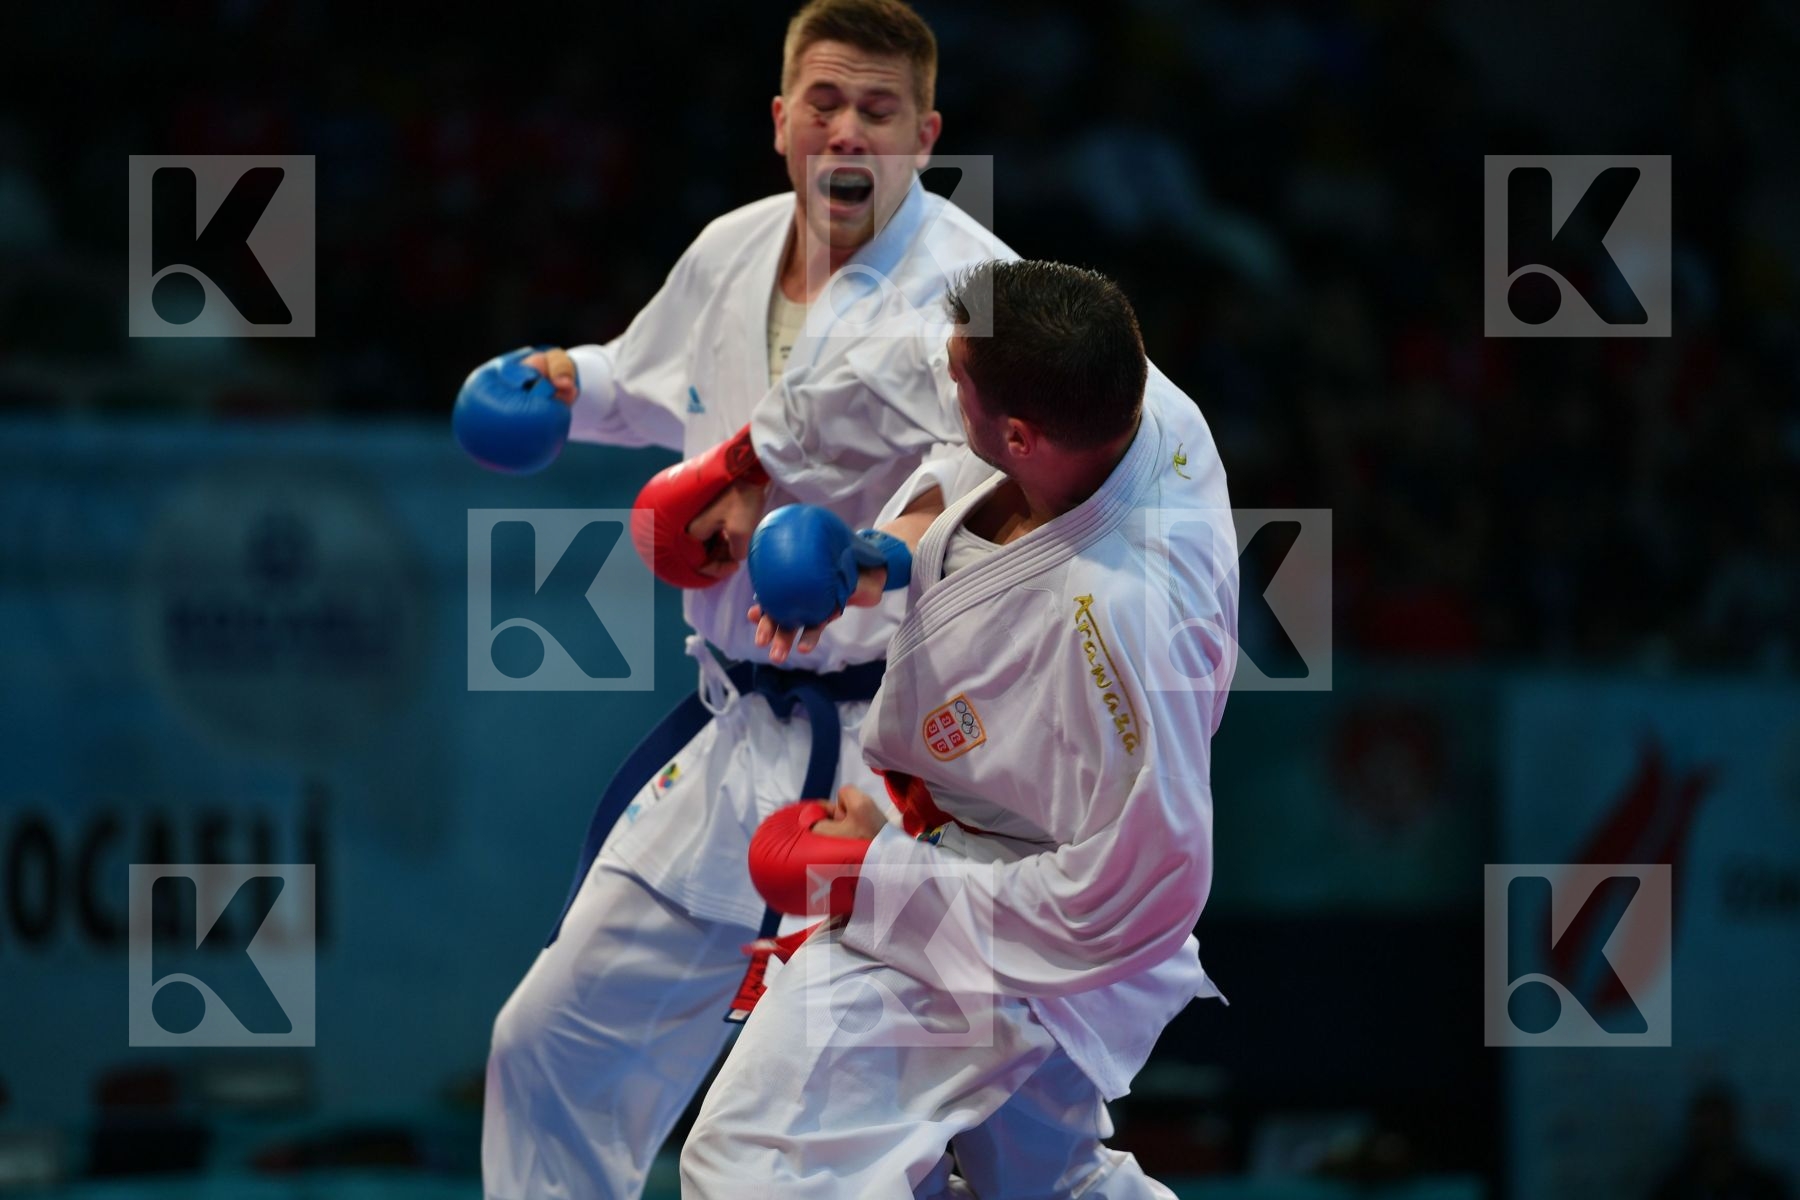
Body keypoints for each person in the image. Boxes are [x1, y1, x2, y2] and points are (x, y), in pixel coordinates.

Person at [450, 3, 1012, 1196]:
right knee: (550, 1049)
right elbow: (653, 379)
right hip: (737, 732)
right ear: (780, 119)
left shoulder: (979, 291)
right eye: (823, 101)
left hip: (892, 759)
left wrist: (874, 548)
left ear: (926, 133)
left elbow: (997, 491)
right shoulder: (732, 249)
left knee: (832, 1142)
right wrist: (565, 381)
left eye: (876, 110)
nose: (846, 130)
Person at [681, 259, 1238, 1198]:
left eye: (960, 382)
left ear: (1021, 433)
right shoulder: (1128, 399)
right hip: (968, 846)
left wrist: (877, 877)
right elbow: (965, 452)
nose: (947, 389)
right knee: (1041, 1185)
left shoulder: (1126, 620)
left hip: (1031, 922)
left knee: (753, 1169)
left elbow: (1144, 894)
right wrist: (880, 556)